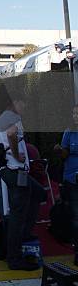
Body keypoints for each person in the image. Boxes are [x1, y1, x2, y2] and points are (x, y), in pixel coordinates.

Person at [0, 96, 46, 271]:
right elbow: (11, 134)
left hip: (15, 171)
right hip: (15, 170)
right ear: (14, 103)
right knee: (18, 214)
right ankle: (14, 257)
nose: (25, 106)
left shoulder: (5, 116)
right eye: (22, 103)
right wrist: (17, 155)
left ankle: (23, 234)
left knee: (38, 193)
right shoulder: (12, 117)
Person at [55, 105, 78, 265]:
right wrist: (59, 150)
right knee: (76, 216)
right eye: (74, 113)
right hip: (72, 179)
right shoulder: (68, 132)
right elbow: (64, 155)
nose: (75, 116)